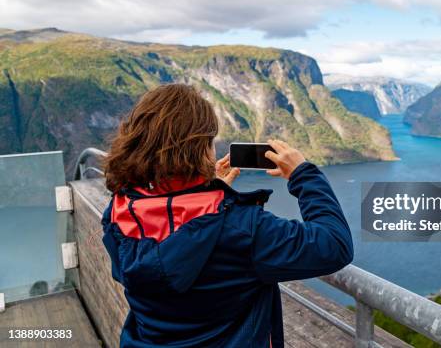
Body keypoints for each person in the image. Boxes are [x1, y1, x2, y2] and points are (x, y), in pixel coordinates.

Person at [101, 83, 353, 348]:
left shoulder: (120, 212)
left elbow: (173, 229)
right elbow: (335, 245)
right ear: (199, 148)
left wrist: (207, 193)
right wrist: (303, 174)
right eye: (210, 142)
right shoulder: (242, 230)